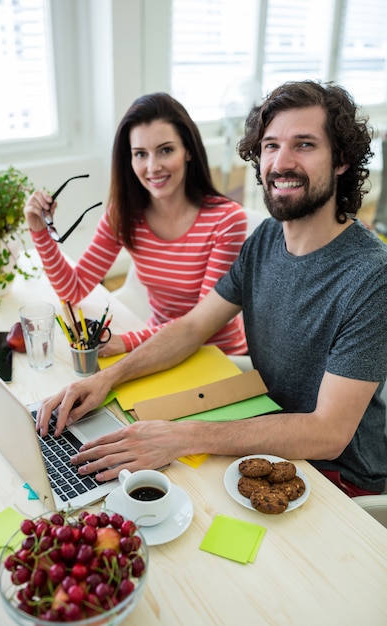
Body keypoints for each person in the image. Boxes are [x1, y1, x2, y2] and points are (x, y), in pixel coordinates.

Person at [36, 80, 387, 498]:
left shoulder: (371, 277)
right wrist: (107, 378)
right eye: (271, 145)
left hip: (337, 475)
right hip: (262, 433)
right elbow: (191, 327)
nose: (281, 162)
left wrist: (183, 436)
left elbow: (327, 433)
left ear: (342, 160)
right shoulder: (266, 241)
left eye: (305, 145)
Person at [24, 93, 248, 356]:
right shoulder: (124, 215)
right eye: (140, 154)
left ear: (188, 150)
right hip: (157, 350)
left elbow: (199, 324)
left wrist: (126, 342)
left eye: (166, 150)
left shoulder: (226, 220)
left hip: (216, 356)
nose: (153, 167)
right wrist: (40, 231)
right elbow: (72, 290)